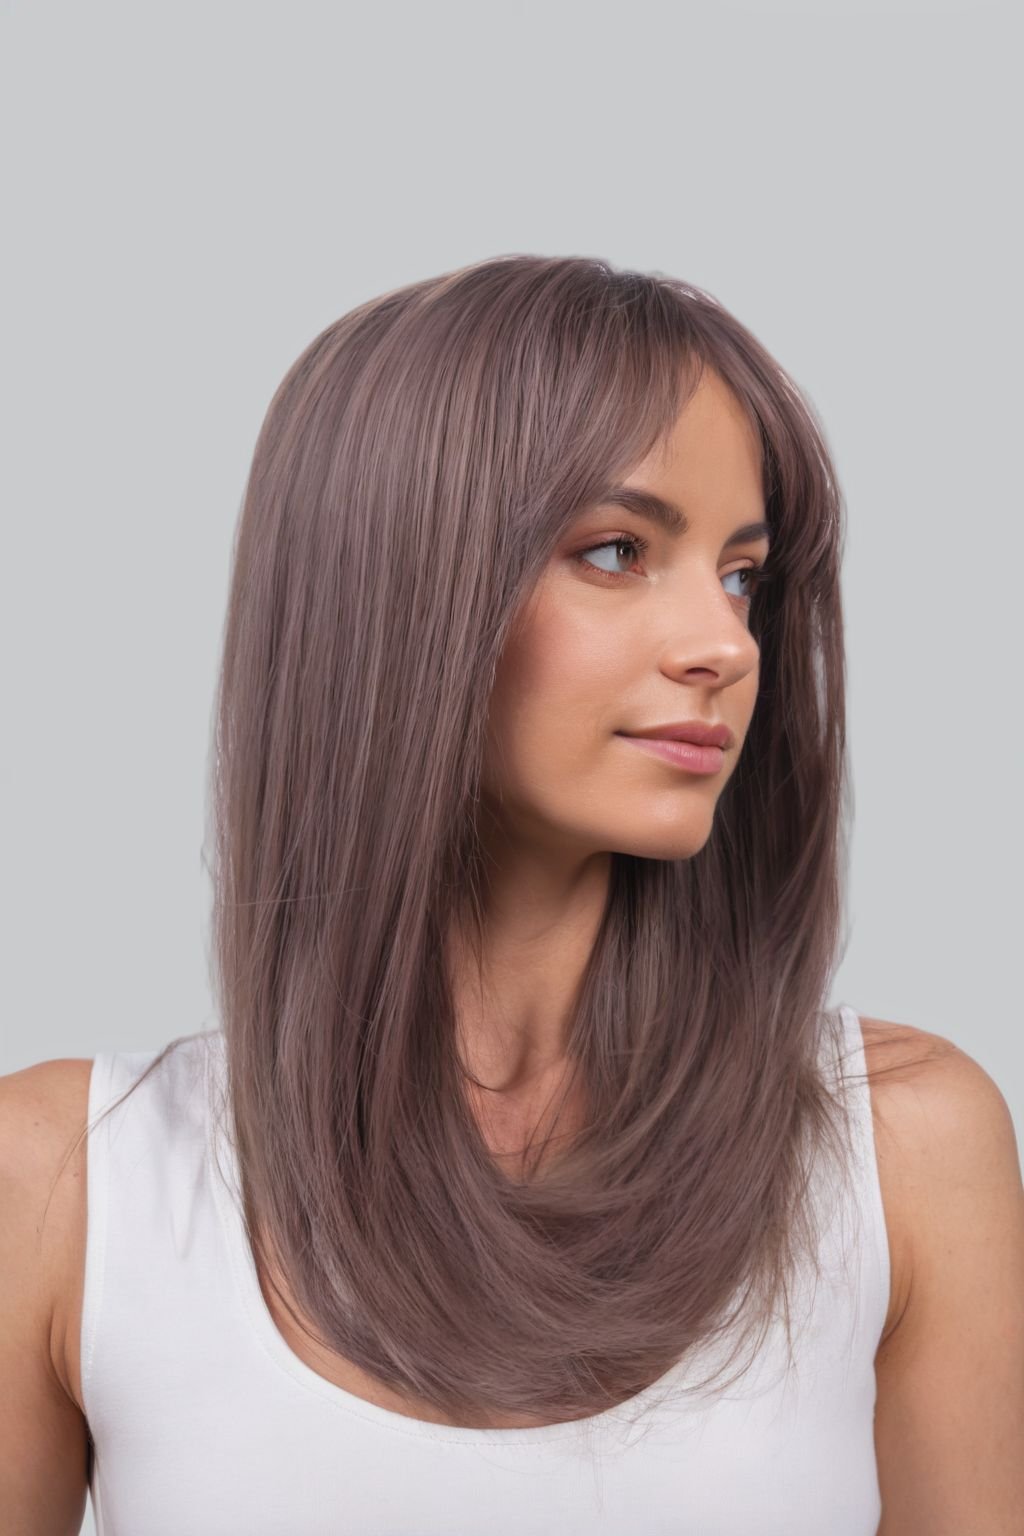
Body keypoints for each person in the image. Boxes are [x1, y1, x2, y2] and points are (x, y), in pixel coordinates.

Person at [3, 254, 1022, 1534]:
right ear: (391, 593)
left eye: (741, 575)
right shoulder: (63, 1186)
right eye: (616, 550)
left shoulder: (903, 1152)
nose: (724, 644)